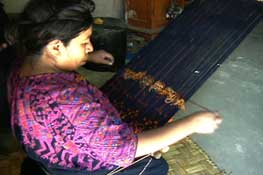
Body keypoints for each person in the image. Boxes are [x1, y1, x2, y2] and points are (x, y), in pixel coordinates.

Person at [6, 0, 222, 174]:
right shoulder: (65, 100)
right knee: (157, 167)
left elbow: (52, 63)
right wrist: (193, 123)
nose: (90, 46)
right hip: (72, 166)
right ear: (56, 47)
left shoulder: (23, 64)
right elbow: (123, 149)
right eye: (84, 43)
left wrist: (88, 57)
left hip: (45, 149)